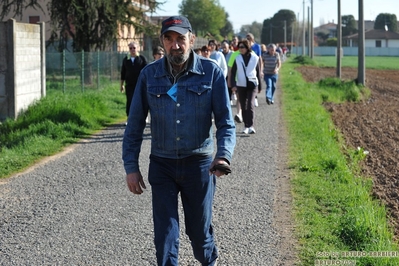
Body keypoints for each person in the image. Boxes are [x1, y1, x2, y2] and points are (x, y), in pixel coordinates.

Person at [122, 15, 236, 266]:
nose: (175, 45)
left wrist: (223, 155)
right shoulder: (148, 75)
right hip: (162, 164)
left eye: (180, 39)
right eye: (169, 39)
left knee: (198, 231)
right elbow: (134, 126)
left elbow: (226, 123)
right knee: (165, 234)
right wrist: (131, 167)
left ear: (192, 40)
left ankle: (209, 260)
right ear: (162, 42)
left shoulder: (211, 73)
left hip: (199, 164)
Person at [230, 39, 261, 134]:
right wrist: (233, 85)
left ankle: (251, 125)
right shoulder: (237, 58)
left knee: (250, 105)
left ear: (247, 48)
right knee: (243, 106)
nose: (240, 49)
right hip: (241, 85)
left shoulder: (255, 58)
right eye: (239, 47)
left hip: (252, 84)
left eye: (242, 47)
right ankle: (246, 125)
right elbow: (233, 72)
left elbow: (258, 72)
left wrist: (260, 86)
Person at [120, 41, 148, 123]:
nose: (132, 50)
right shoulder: (126, 60)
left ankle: (144, 117)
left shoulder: (142, 59)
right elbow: (123, 73)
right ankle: (129, 118)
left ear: (138, 48)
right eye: (130, 48)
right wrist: (121, 85)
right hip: (129, 85)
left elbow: (146, 72)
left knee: (142, 100)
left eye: (134, 48)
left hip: (141, 84)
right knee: (130, 101)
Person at [246, 33, 262, 107]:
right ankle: (248, 98)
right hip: (247, 66)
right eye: (247, 38)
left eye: (249, 38)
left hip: (255, 65)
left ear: (252, 38)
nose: (248, 39)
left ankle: (255, 97)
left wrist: (261, 69)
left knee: (255, 80)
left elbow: (259, 58)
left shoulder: (257, 46)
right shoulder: (245, 46)